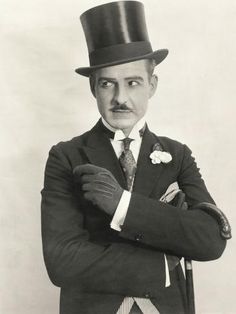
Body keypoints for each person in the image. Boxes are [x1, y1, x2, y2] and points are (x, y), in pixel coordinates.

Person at [41, 2, 230, 314]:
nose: (120, 98)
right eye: (108, 84)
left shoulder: (177, 155)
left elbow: (210, 239)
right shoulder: (66, 156)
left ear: (151, 85)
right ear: (93, 87)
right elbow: (62, 261)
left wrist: (122, 206)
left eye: (133, 82)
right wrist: (164, 265)